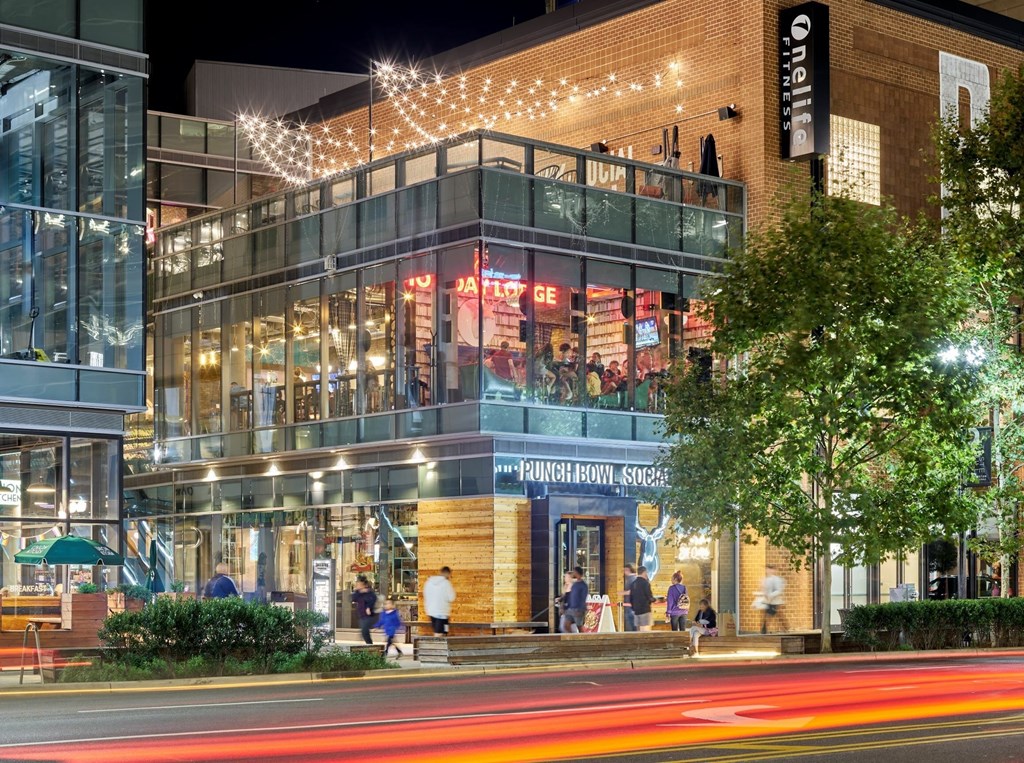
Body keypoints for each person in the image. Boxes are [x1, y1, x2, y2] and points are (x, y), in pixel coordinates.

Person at [423, 566, 456, 635]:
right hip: (442, 613)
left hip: (431, 612)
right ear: (447, 573)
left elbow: (425, 594)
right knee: (440, 633)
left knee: (440, 631)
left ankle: (441, 642)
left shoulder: (429, 582)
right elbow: (452, 597)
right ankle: (438, 645)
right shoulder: (446, 583)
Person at [753, 565, 786, 634]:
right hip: (767, 601)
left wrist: (770, 595)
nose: (768, 571)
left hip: (775, 602)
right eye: (767, 569)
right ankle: (764, 629)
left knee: (776, 616)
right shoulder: (765, 579)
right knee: (768, 615)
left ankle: (785, 628)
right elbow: (763, 589)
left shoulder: (776, 579)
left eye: (770, 569)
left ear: (773, 570)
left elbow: (778, 590)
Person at [561, 566, 589, 634]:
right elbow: (571, 596)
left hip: (578, 609)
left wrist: (581, 609)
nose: (573, 573)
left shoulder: (583, 585)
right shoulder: (574, 585)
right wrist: (565, 607)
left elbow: (583, 598)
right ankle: (572, 638)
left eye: (574, 572)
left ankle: (584, 640)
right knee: (566, 625)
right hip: (571, 608)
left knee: (579, 626)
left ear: (577, 573)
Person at [352, 574, 378, 645]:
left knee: (364, 630)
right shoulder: (358, 593)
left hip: (369, 615)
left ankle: (369, 644)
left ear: (364, 585)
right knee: (364, 631)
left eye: (359, 584)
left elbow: (373, 600)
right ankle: (368, 644)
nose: (358, 586)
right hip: (361, 615)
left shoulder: (370, 593)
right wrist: (357, 591)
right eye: (357, 584)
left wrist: (368, 607)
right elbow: (353, 598)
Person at [630, 565, 655, 631]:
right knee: (646, 632)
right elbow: (649, 596)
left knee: (638, 633)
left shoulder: (633, 583)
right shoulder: (645, 583)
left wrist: (634, 608)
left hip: (636, 611)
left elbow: (631, 597)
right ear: (644, 572)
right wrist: (654, 600)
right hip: (645, 610)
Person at [622, 564, 638, 632]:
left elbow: (632, 591)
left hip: (630, 605)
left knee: (631, 624)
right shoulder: (631, 578)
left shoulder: (632, 579)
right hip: (630, 604)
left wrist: (623, 593)